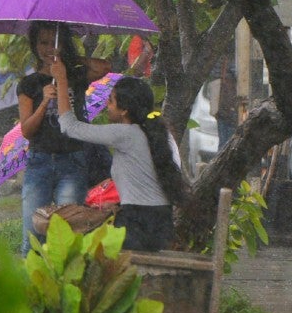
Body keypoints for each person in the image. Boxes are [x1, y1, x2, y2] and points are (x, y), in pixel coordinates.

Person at [51, 60, 189, 251]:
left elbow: (70, 127)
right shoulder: (160, 133)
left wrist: (61, 81)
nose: (107, 105)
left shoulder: (126, 134)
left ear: (124, 110)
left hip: (136, 225)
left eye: (111, 101)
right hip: (161, 225)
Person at [17, 21, 111, 255]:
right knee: (33, 234)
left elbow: (104, 67)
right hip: (39, 162)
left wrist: (68, 61)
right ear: (34, 45)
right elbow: (27, 130)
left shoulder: (75, 75)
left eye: (54, 42)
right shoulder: (29, 84)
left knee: (68, 230)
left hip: (73, 161)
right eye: (43, 43)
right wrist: (45, 102)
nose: (49, 48)